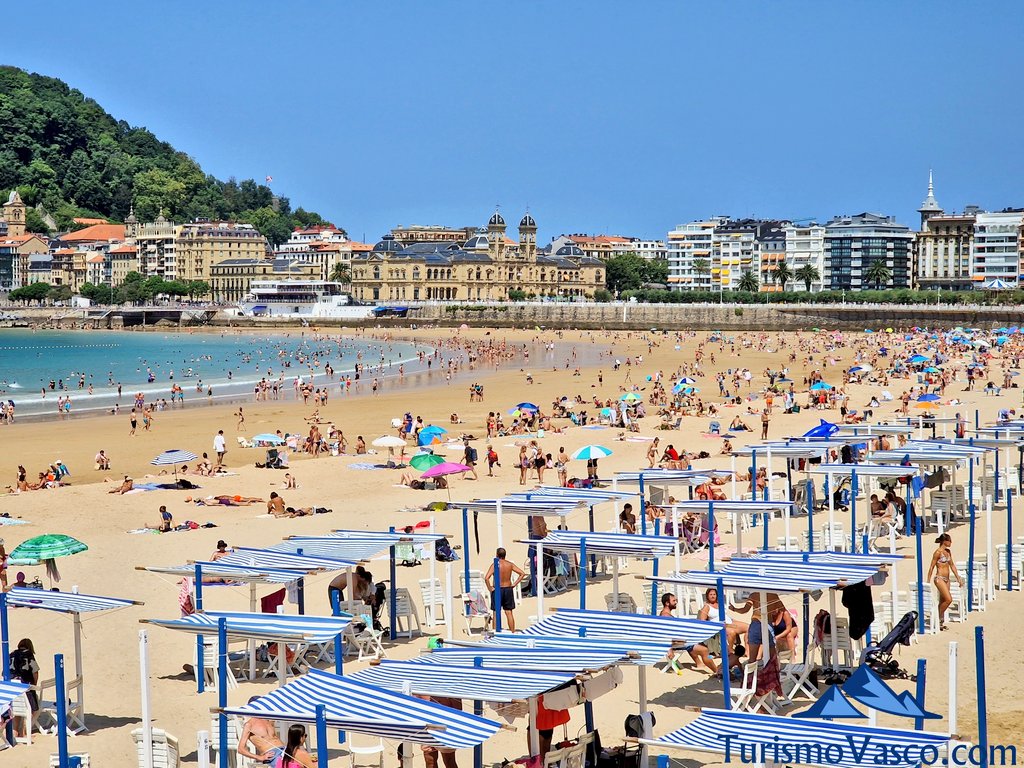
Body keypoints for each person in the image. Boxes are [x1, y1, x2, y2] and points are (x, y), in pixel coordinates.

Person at [661, 593, 716, 673]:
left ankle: (700, 663)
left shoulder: (667, 614)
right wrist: (669, 650)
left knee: (701, 641)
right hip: (677, 643)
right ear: (667, 603)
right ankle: (717, 671)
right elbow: (665, 634)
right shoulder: (665, 616)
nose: (676, 602)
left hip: (681, 641)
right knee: (704, 650)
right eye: (674, 601)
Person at [927, 533, 963, 631]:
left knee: (943, 601)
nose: (951, 542)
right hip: (939, 578)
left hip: (947, 579)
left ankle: (940, 622)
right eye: (949, 540)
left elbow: (952, 565)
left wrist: (958, 577)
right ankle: (937, 617)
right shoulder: (938, 552)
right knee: (948, 599)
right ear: (945, 541)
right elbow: (931, 566)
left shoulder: (948, 552)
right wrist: (927, 581)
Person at [484, 547, 525, 632]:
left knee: (496, 612)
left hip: (497, 590)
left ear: (496, 555)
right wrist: (514, 584)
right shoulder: (509, 564)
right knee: (509, 612)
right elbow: (522, 573)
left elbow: (486, 578)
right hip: (508, 589)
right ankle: (512, 632)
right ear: (505, 555)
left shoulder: (495, 565)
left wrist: (490, 588)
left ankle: (495, 632)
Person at [237, 696, 287, 764]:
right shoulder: (249, 725)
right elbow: (240, 749)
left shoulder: (268, 721)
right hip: (272, 754)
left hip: (285, 750)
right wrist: (259, 757)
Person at [10, 638, 39, 738]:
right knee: (31, 708)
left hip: (12, 686)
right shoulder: (29, 655)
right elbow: (35, 671)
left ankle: (15, 732)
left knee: (16, 708)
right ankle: (24, 731)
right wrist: (34, 683)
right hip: (25, 686)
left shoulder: (11, 654)